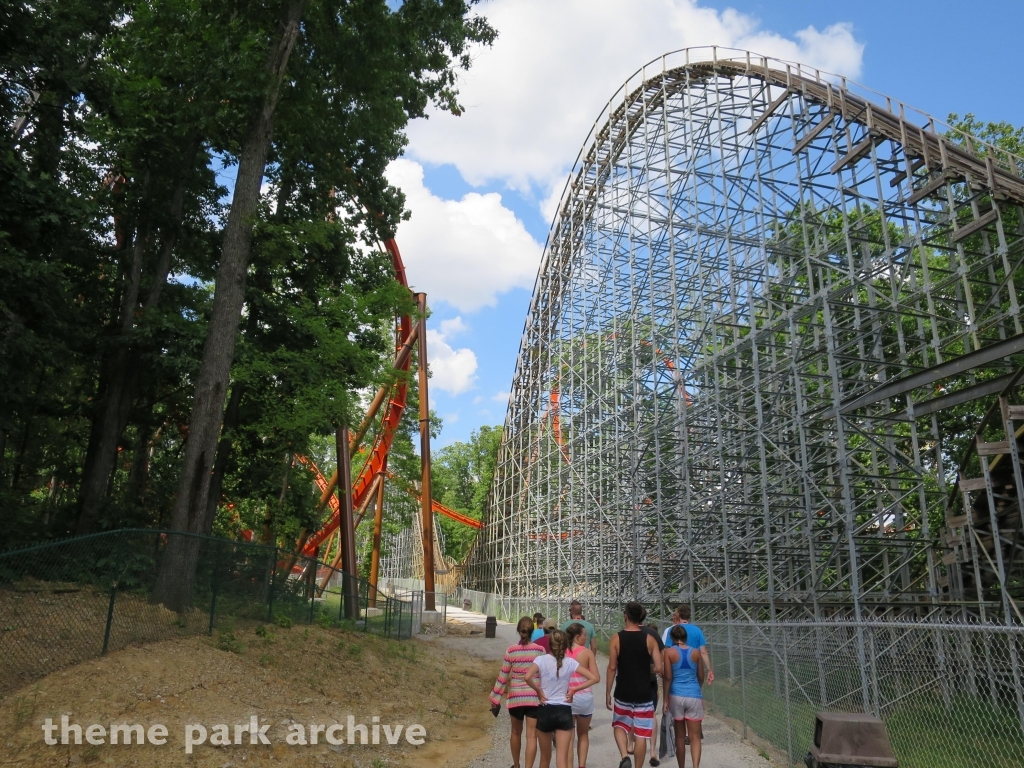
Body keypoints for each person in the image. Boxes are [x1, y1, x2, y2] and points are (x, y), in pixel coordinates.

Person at [525, 629, 599, 768]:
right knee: (562, 759)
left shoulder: (541, 660)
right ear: (566, 645)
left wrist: (538, 690)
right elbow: (594, 678)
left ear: (549, 644)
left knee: (544, 759)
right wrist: (574, 690)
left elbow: (527, 677)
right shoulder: (570, 662)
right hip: (563, 710)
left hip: (545, 709)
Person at [607, 601, 663, 768]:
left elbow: (611, 667)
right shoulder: (650, 639)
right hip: (643, 693)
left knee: (619, 725)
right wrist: (645, 667)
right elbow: (659, 667)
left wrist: (607, 692)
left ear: (626, 616)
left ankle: (625, 756)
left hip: (623, 691)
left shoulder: (616, 638)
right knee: (641, 733)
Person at [490, 616, 544, 768]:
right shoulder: (540, 651)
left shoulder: (511, 650)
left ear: (518, 631)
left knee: (515, 732)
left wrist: (495, 697)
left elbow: (503, 676)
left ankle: (516, 765)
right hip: (534, 698)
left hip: (516, 699)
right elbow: (545, 674)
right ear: (533, 631)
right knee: (532, 735)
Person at [660, 605, 712, 746]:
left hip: (678, 667)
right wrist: (709, 669)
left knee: (679, 697)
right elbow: (703, 652)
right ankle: (695, 729)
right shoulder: (697, 630)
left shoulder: (673, 630)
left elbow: (667, 651)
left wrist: (663, 667)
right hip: (695, 666)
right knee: (694, 697)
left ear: (678, 614)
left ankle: (685, 733)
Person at [662, 625, 705, 768]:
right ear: (685, 637)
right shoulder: (696, 653)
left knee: (679, 737)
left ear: (672, 638)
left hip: (676, 695)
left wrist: (665, 700)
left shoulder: (669, 653)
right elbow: (701, 676)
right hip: (693, 695)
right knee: (695, 737)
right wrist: (698, 691)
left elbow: (667, 677)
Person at [565, 622, 600, 768]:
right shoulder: (587, 653)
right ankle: (582, 765)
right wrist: (578, 688)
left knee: (569, 737)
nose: (586, 638)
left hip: (566, 698)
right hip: (584, 698)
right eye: (585, 635)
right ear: (578, 636)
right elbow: (596, 677)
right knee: (583, 734)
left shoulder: (562, 652)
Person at [640, 614, 665, 766]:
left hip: (635, 681)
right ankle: (653, 751)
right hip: (650, 679)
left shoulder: (628, 633)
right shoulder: (653, 635)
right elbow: (662, 656)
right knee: (651, 714)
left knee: (635, 713)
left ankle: (633, 745)